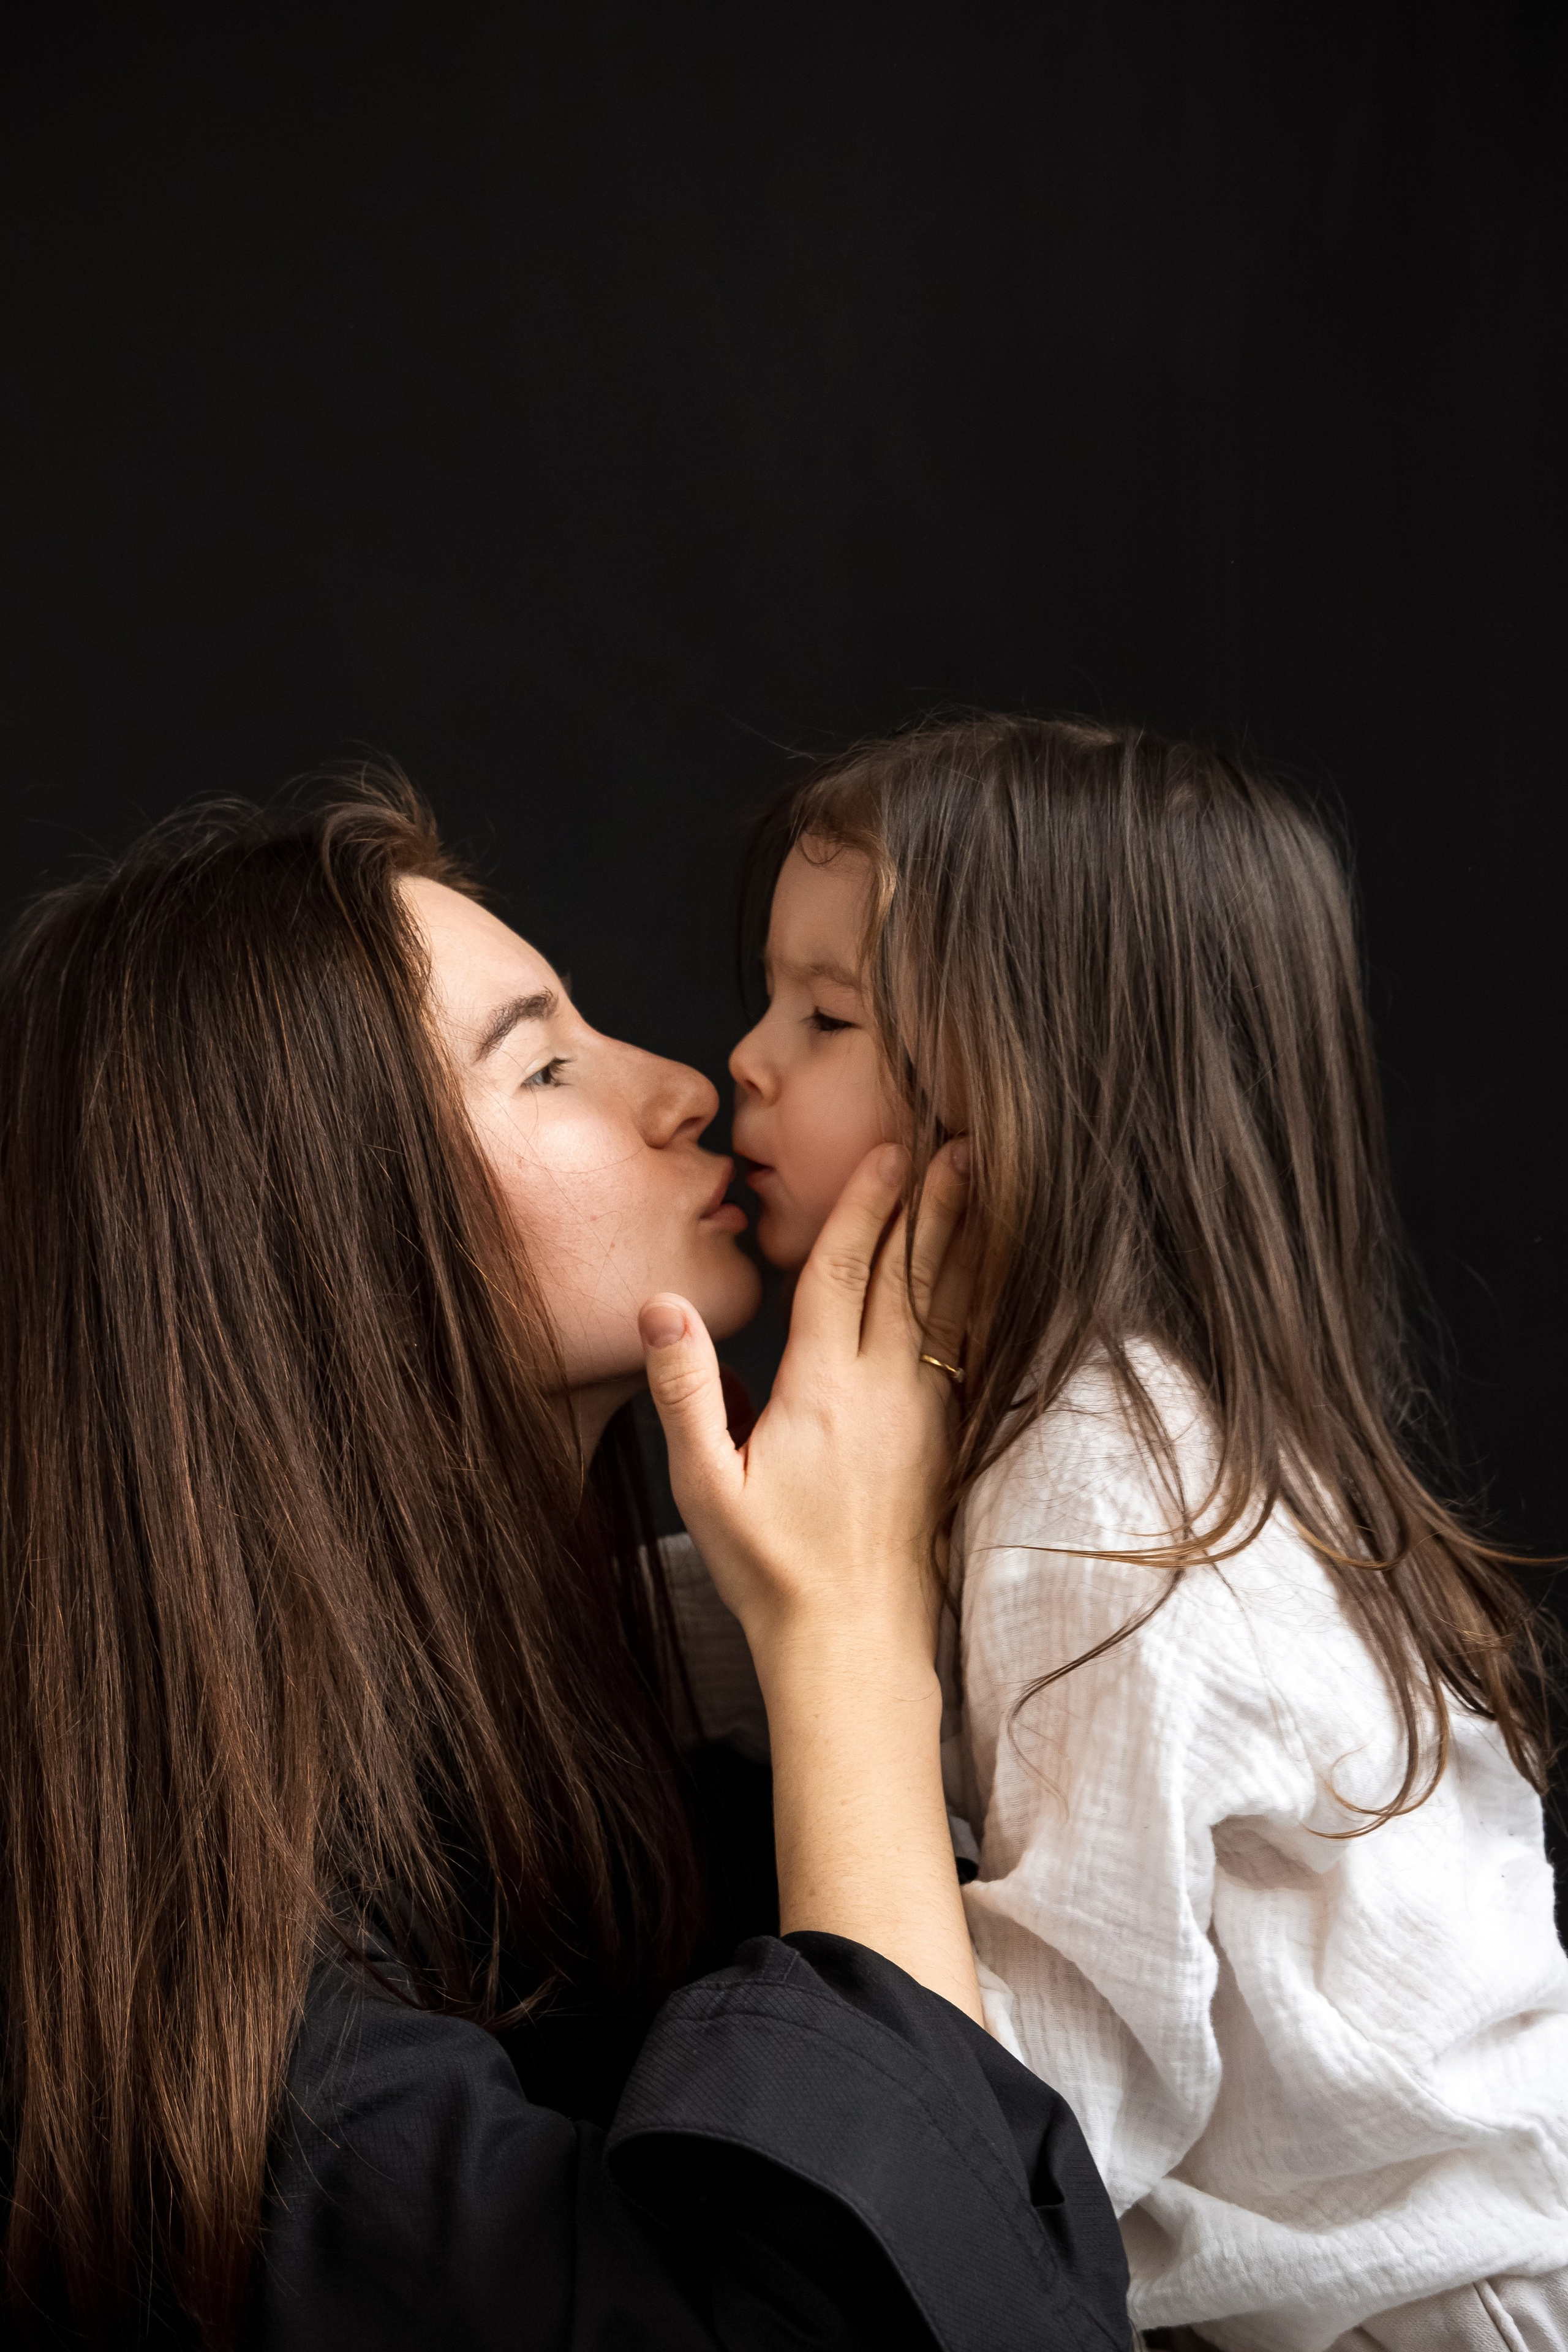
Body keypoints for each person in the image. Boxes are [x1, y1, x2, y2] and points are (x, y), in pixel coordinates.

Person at [0, 778, 1132, 2350]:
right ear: (319, 1250)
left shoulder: (645, 1759)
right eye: (542, 1066)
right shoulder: (243, 2052)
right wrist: (845, 1637)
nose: (685, 1085)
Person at [726, 713, 1568, 2352]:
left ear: (1033, 1097)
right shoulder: (1087, 1431)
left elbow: (1031, 2132)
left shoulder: (1105, 1487)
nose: (747, 1059)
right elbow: (811, 1611)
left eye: (826, 1016)